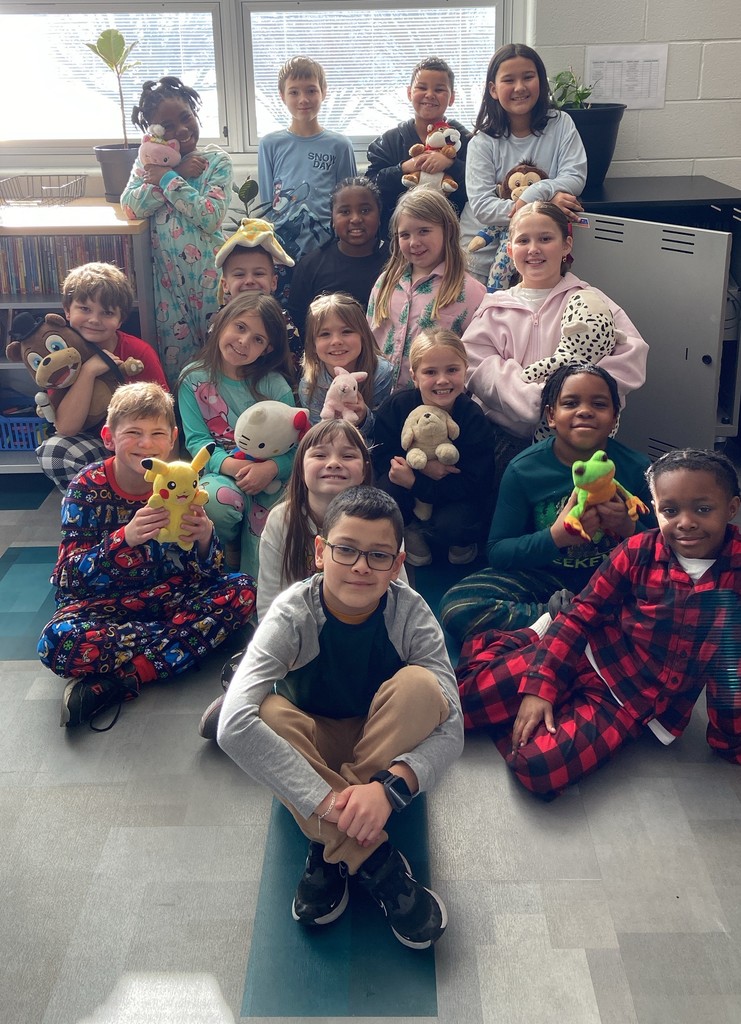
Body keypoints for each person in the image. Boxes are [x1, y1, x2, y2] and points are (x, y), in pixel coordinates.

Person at [217, 485, 464, 948]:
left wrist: (389, 789)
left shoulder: (411, 612)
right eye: (345, 549)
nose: (360, 566)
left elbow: (453, 728)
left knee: (422, 687)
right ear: (320, 551)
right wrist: (331, 805)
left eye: (378, 556)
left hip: (385, 743)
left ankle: (325, 844)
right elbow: (233, 724)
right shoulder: (292, 612)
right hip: (314, 744)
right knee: (266, 712)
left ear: (397, 563)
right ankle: (371, 859)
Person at [456, 448, 741, 800]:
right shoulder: (637, 550)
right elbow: (581, 614)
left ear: (731, 508)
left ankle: (533, 669)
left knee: (538, 768)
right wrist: (541, 687)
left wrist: (730, 740)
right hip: (581, 653)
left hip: (627, 702)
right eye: (670, 511)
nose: (685, 522)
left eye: (703, 509)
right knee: (459, 704)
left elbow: (731, 667)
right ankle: (527, 639)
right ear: (654, 509)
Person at [37, 381, 255, 730]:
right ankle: (193, 640)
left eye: (157, 434)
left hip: (170, 596)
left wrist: (204, 539)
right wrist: (123, 539)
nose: (146, 444)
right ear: (109, 437)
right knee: (56, 641)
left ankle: (125, 678)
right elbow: (68, 580)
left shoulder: (185, 483)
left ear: (172, 439)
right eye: (133, 433)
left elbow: (210, 575)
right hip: (106, 607)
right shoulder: (86, 487)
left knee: (243, 590)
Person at [440, 364, 655, 639]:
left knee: (679, 600)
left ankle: (569, 622)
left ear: (614, 417)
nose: (585, 411)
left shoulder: (637, 468)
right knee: (458, 608)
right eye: (571, 403)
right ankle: (571, 618)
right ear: (551, 416)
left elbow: (664, 548)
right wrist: (556, 537)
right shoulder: (523, 470)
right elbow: (498, 551)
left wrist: (628, 527)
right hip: (544, 580)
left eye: (599, 404)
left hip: (615, 577)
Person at [463, 200, 648, 482]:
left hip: (578, 443)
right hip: (505, 440)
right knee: (507, 505)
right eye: (523, 240)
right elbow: (476, 365)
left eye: (545, 239)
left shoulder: (591, 300)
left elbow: (631, 355)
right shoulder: (494, 308)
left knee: (578, 505)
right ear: (510, 249)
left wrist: (574, 399)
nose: (533, 248)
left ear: (566, 245)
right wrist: (532, 400)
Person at [177, 292, 296, 579]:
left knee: (284, 516)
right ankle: (226, 553)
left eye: (258, 339)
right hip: (222, 472)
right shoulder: (193, 379)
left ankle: (262, 584)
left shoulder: (276, 386)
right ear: (222, 321)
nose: (243, 341)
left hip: (273, 476)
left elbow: (297, 446)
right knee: (213, 501)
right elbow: (197, 441)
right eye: (240, 327)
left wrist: (270, 468)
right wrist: (233, 466)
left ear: (267, 349)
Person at [121, 76, 232, 381]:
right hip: (167, 291)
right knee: (178, 372)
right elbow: (130, 206)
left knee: (222, 362)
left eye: (186, 117)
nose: (182, 130)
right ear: (153, 131)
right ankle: (181, 415)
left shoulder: (215, 161)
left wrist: (168, 179)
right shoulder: (146, 164)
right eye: (168, 126)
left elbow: (210, 216)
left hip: (212, 284)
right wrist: (171, 170)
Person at [459, 43, 587, 286]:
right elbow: (483, 207)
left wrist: (533, 196)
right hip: (480, 257)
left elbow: (575, 176)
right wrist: (545, 207)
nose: (519, 87)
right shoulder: (482, 142)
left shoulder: (561, 124)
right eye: (509, 80)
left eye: (528, 77)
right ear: (493, 89)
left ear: (541, 81)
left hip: (537, 257)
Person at [35, 262, 169, 492]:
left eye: (106, 312)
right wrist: (89, 371)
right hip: (94, 446)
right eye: (85, 309)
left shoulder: (138, 352)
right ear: (67, 311)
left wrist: (168, 475)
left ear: (120, 319)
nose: (94, 320)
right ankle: (92, 503)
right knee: (54, 451)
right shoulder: (60, 356)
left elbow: (164, 415)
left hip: (139, 443)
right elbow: (66, 428)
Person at [372, 328, 494, 567]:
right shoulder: (396, 407)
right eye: (430, 372)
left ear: (465, 370)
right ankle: (410, 527)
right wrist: (421, 471)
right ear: (414, 376)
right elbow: (382, 455)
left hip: (455, 498)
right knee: (387, 492)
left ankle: (458, 540)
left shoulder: (472, 417)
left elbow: (478, 482)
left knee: (456, 524)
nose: (442, 380)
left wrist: (419, 484)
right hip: (409, 488)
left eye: (452, 370)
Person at [368, 187, 486, 391]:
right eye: (405, 235)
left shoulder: (472, 292)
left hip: (436, 402)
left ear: (448, 230)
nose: (414, 242)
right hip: (381, 401)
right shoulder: (385, 283)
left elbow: (477, 360)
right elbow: (369, 341)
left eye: (424, 231)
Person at [258, 56, 356, 284]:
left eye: (311, 91)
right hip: (282, 250)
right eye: (294, 92)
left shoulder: (340, 145)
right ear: (282, 95)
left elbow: (349, 201)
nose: (303, 99)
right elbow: (267, 205)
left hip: (327, 250)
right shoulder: (270, 144)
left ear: (323, 92)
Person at [366, 57, 471, 242]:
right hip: (400, 242)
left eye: (439, 89)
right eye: (422, 87)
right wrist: (405, 167)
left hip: (451, 240)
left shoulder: (464, 140)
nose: (429, 94)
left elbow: (477, 187)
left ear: (452, 97)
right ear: (409, 93)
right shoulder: (389, 142)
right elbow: (371, 189)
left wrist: (451, 164)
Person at [286, 176, 388, 335]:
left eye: (365, 210)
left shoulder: (397, 260)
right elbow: (298, 322)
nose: (356, 219)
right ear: (332, 219)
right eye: (345, 212)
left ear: (379, 215)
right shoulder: (311, 266)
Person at [214, 217, 303, 375]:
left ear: (274, 282)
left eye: (258, 273)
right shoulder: (220, 319)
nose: (249, 281)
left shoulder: (284, 324)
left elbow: (294, 365)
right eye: (239, 274)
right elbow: (212, 359)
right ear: (225, 284)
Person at [299, 292, 394, 441]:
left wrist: (363, 417)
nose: (336, 341)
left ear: (363, 336)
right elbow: (318, 435)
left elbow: (383, 430)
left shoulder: (381, 372)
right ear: (313, 344)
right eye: (325, 334)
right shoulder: (310, 384)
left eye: (347, 331)